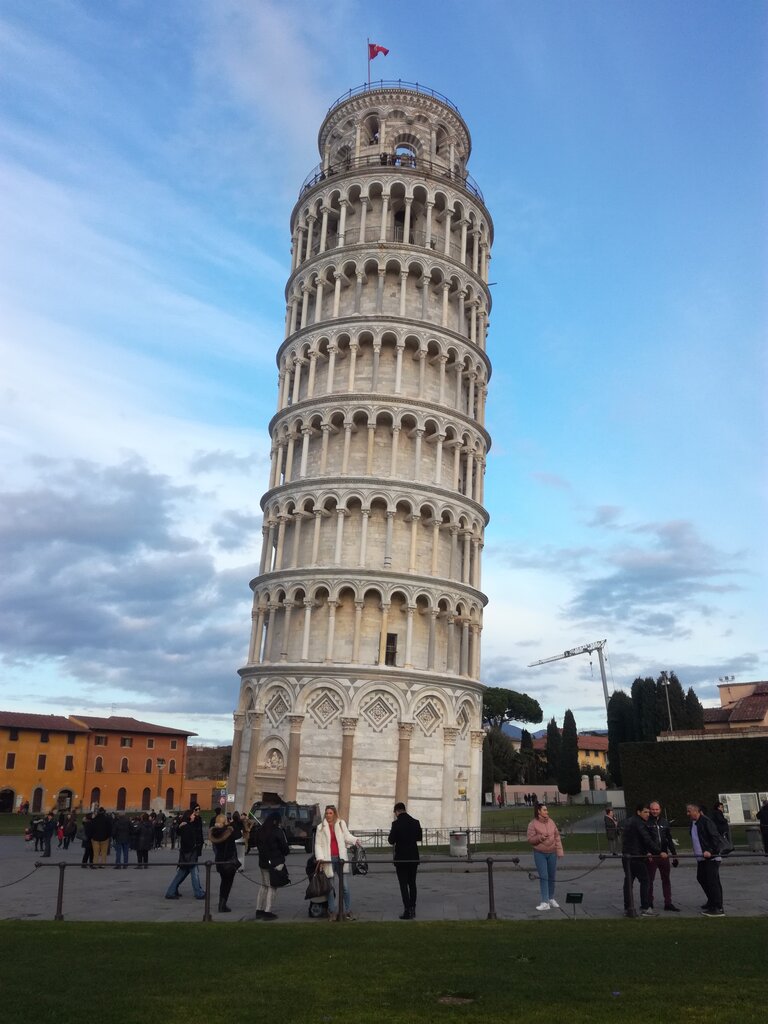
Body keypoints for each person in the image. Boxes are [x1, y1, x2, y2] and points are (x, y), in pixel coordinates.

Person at [314, 804, 361, 921]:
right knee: (330, 888)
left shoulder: (340, 824)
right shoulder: (320, 827)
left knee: (345, 887)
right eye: (327, 813)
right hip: (328, 860)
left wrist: (355, 840)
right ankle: (332, 912)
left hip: (341, 859)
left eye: (330, 813)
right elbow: (318, 844)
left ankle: (348, 911)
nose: (328, 815)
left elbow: (347, 836)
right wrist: (320, 858)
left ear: (334, 814)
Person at [621, 803, 661, 917]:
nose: (648, 814)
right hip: (636, 857)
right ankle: (645, 907)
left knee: (628, 882)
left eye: (648, 812)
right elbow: (646, 839)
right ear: (638, 812)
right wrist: (659, 851)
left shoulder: (630, 821)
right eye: (645, 812)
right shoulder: (639, 823)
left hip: (627, 856)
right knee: (645, 881)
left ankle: (628, 907)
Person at [687, 802, 725, 917]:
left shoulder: (706, 822)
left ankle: (717, 907)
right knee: (702, 878)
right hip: (701, 858)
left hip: (710, 857)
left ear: (696, 811)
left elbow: (716, 838)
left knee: (712, 881)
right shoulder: (693, 823)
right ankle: (711, 900)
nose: (687, 813)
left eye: (689, 811)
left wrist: (711, 851)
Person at [388, 802, 423, 919]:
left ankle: (407, 910)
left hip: (401, 858)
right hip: (413, 856)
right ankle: (413, 908)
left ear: (397, 811)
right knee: (412, 883)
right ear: (404, 809)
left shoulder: (396, 824)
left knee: (403, 885)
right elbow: (419, 837)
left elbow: (391, 840)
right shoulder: (415, 822)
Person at [526, 803, 564, 911]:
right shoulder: (532, 824)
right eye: (544, 810)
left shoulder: (551, 822)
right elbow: (530, 839)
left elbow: (557, 836)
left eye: (547, 810)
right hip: (540, 853)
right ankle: (544, 901)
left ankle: (551, 898)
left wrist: (559, 851)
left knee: (552, 876)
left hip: (552, 853)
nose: (547, 811)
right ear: (539, 811)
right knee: (544, 876)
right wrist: (540, 838)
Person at [254, 812, 289, 921]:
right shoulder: (278, 832)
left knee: (264, 885)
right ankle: (267, 911)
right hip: (275, 862)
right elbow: (285, 847)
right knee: (272, 886)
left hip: (263, 862)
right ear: (276, 821)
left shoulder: (260, 831)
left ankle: (259, 909)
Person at [165, 809, 205, 900]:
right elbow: (188, 842)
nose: (194, 816)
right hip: (189, 854)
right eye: (193, 815)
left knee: (181, 874)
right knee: (195, 874)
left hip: (186, 855)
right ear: (189, 816)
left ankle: (171, 891)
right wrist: (195, 845)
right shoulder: (187, 827)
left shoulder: (186, 825)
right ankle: (198, 893)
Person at [646, 801, 679, 911]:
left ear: (660, 810)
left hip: (664, 855)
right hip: (652, 856)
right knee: (650, 880)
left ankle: (668, 902)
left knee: (666, 879)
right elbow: (644, 839)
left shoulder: (665, 822)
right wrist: (647, 852)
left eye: (657, 809)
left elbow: (669, 839)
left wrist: (674, 854)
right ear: (650, 810)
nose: (655, 811)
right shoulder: (646, 822)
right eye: (653, 809)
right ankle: (649, 902)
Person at [210, 814, 240, 914]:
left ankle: (221, 904)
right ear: (224, 822)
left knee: (223, 883)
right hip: (229, 861)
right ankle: (222, 905)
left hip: (220, 861)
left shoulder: (215, 833)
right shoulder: (228, 833)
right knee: (227, 883)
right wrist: (231, 825)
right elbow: (238, 835)